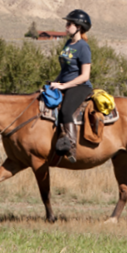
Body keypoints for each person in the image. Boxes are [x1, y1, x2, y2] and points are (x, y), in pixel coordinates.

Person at [49, 9, 93, 163]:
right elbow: (65, 69)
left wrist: (64, 85)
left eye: (69, 24)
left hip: (80, 86)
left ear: (79, 27)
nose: (66, 26)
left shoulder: (83, 47)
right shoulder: (68, 44)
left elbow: (85, 76)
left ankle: (71, 148)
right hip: (65, 84)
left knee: (66, 111)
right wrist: (55, 82)